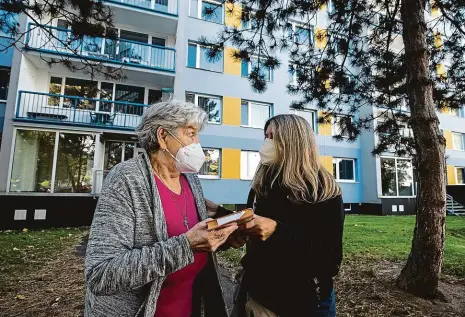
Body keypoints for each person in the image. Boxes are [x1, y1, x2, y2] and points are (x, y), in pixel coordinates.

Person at [84, 100, 238, 317]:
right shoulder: (127, 179)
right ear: (163, 136)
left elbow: (195, 239)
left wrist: (222, 238)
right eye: (190, 133)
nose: (197, 142)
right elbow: (101, 274)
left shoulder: (189, 178)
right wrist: (185, 246)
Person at [209, 114, 345, 317]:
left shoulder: (322, 191)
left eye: (273, 137)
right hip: (256, 291)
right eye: (265, 136)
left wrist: (276, 230)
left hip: (302, 302)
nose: (266, 143)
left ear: (293, 142)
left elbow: (327, 260)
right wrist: (230, 222)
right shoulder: (263, 184)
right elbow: (256, 225)